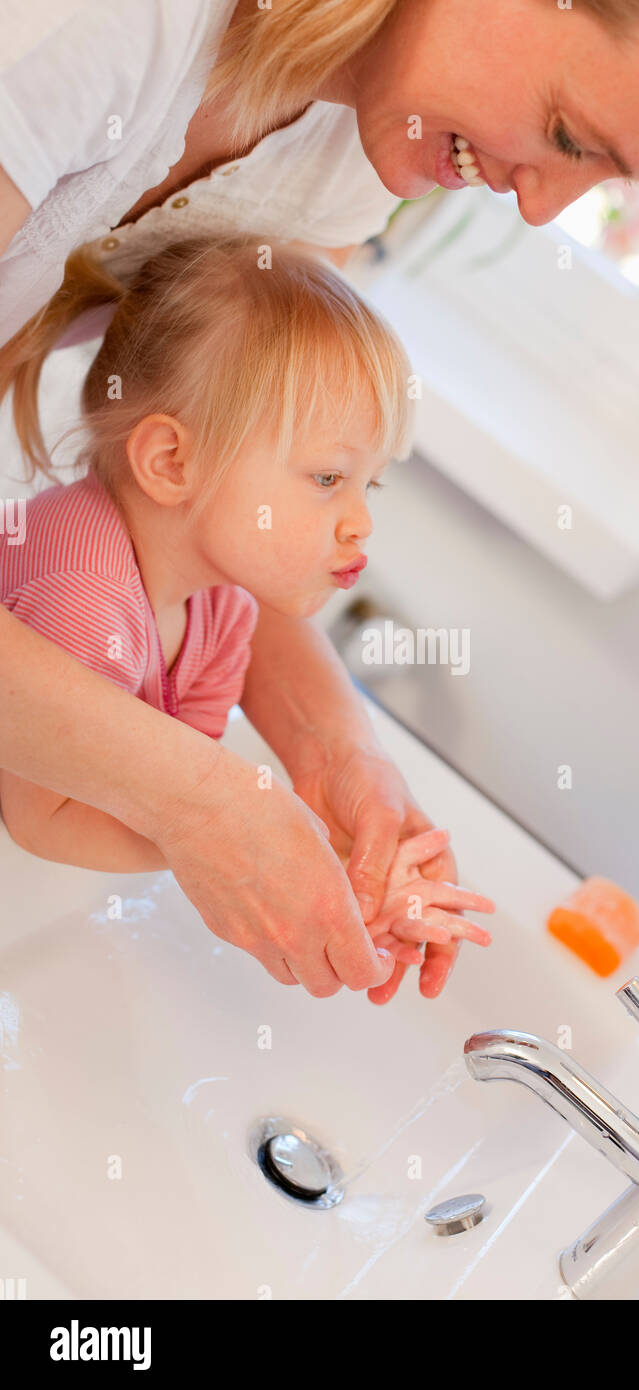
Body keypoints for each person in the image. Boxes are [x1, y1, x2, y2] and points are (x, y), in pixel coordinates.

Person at [1, 0, 639, 1004]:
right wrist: (198, 806)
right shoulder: (103, 21)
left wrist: (340, 761)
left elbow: (242, 511)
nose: (539, 207)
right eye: (571, 134)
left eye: (608, 180)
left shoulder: (342, 160)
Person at [0, 235, 496, 979]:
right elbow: (47, 819)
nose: (361, 521)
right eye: (329, 477)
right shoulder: (87, 598)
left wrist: (340, 867)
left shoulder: (223, 608)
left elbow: (184, 778)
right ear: (172, 462)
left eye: (372, 484)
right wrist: (266, 848)